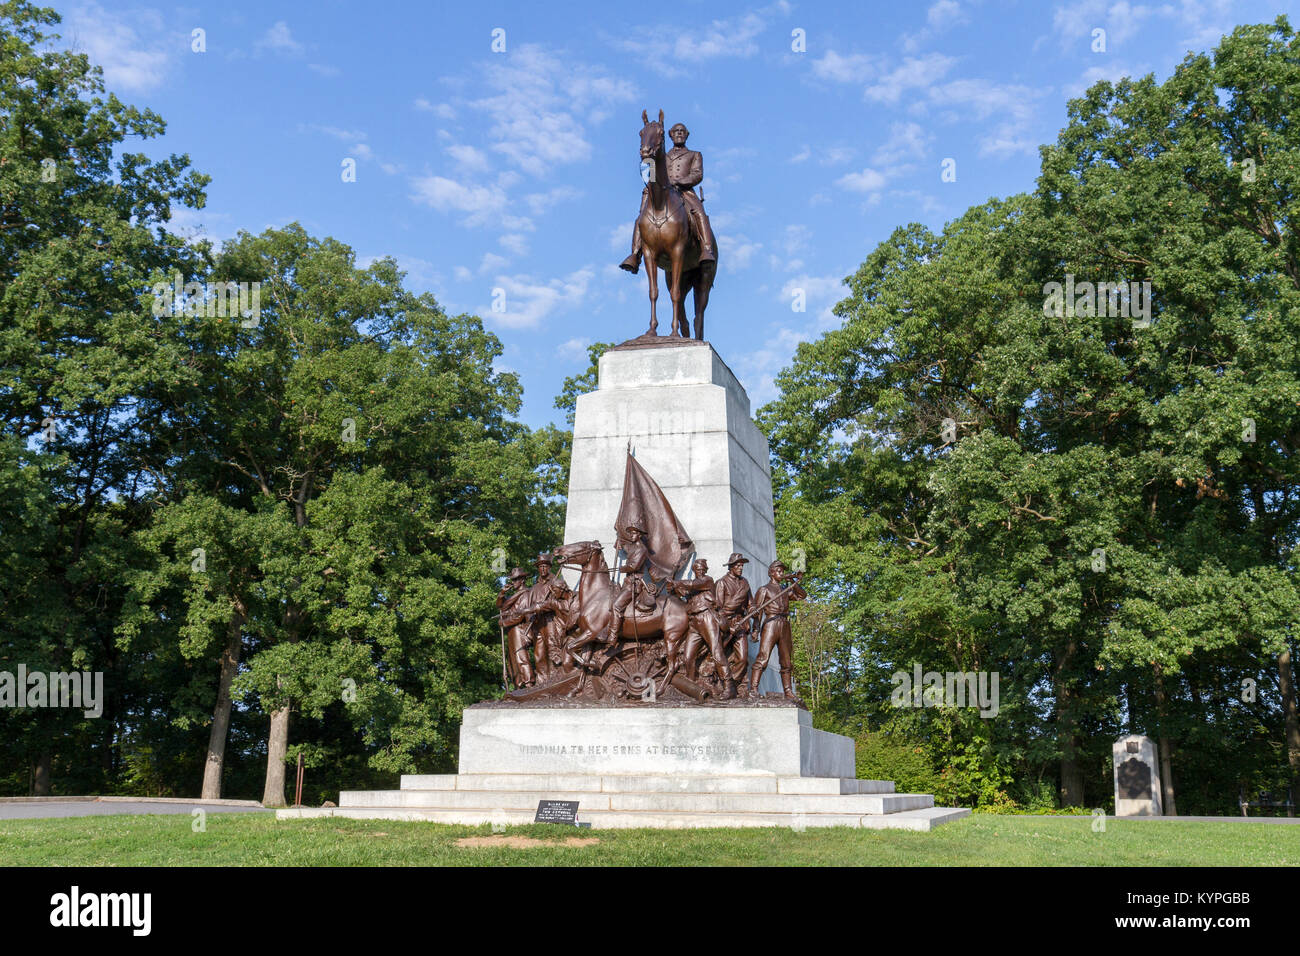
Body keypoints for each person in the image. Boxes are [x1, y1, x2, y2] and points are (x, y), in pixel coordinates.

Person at [620, 122, 717, 274]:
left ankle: (706, 249)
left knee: (699, 212)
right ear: (670, 135)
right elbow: (650, 173)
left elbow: (697, 174)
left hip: (685, 191)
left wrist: (680, 182)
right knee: (641, 216)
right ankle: (635, 254)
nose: (679, 133)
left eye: (682, 131)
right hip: (662, 191)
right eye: (676, 131)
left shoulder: (694, 155)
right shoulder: (662, 155)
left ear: (687, 135)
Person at [673, 558, 737, 700]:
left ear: (706, 570)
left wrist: (678, 582)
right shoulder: (693, 590)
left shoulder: (707, 581)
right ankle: (692, 686)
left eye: (702, 568)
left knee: (717, 652)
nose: (700, 571)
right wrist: (674, 587)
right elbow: (683, 595)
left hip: (708, 618)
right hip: (694, 622)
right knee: (688, 656)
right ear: (694, 570)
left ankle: (729, 686)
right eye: (697, 569)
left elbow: (692, 584)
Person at [749, 560, 806, 700]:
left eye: (782, 571)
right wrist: (756, 629)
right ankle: (754, 689)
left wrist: (794, 581)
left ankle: (788, 691)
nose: (781, 573)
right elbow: (758, 611)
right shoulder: (764, 589)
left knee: (786, 661)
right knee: (763, 657)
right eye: (778, 571)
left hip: (784, 624)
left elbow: (802, 596)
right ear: (771, 573)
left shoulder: (786, 589)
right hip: (770, 623)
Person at [606, 524, 657, 641]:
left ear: (639, 535)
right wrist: (619, 540)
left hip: (634, 584)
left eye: (633, 533)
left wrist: (622, 568)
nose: (631, 536)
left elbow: (634, 566)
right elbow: (626, 547)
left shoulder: (642, 549)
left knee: (616, 606)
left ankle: (613, 636)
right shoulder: (633, 547)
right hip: (627, 582)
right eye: (630, 533)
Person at [714, 553, 753, 687]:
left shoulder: (745, 583)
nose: (741, 568)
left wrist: (752, 609)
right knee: (720, 656)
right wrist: (726, 626)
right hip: (726, 622)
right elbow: (718, 609)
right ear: (731, 567)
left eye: (742, 565)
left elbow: (750, 603)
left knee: (742, 658)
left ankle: (732, 683)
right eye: (738, 565)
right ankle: (721, 683)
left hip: (741, 622)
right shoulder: (722, 583)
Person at [496, 567, 534, 688]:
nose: (513, 582)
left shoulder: (526, 594)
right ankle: (518, 685)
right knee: (512, 660)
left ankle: (529, 683)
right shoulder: (514, 596)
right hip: (512, 631)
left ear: (522, 580)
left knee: (521, 656)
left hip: (520, 630)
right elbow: (500, 605)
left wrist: (504, 622)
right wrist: (502, 593)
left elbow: (520, 615)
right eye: (512, 580)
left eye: (516, 579)